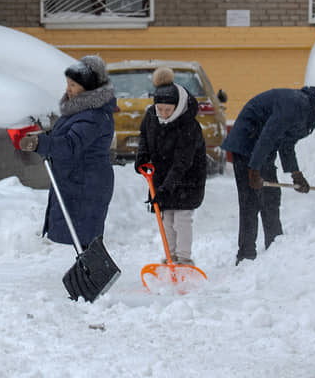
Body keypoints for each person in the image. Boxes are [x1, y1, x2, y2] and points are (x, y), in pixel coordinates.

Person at [221, 83, 315, 265]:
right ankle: (246, 255)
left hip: (263, 147)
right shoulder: (296, 106)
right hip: (247, 139)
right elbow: (269, 135)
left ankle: (275, 246)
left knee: (271, 195)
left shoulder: (309, 116)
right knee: (250, 199)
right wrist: (254, 169)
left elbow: (286, 143)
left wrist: (295, 173)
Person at [19, 55, 116, 247]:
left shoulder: (94, 115)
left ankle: (95, 274)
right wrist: (43, 136)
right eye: (67, 84)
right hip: (78, 181)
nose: (67, 90)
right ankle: (91, 273)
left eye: (73, 85)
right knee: (82, 238)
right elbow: (67, 135)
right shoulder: (80, 110)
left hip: (86, 184)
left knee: (85, 238)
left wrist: (40, 144)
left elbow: (71, 146)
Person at [135, 67, 206, 265]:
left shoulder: (189, 126)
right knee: (166, 219)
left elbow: (183, 161)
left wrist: (167, 187)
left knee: (182, 219)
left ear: (177, 106)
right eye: (160, 109)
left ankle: (184, 259)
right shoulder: (151, 116)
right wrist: (142, 157)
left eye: (168, 110)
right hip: (162, 175)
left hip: (187, 178)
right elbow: (144, 138)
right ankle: (170, 256)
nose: (163, 114)